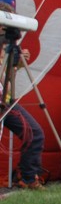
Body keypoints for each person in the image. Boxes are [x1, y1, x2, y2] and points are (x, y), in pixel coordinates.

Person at [1, 40, 45, 190]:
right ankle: (27, 177)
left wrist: (15, 66)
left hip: (6, 102)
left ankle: (27, 177)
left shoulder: (6, 47)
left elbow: (6, 86)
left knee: (34, 133)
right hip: (4, 102)